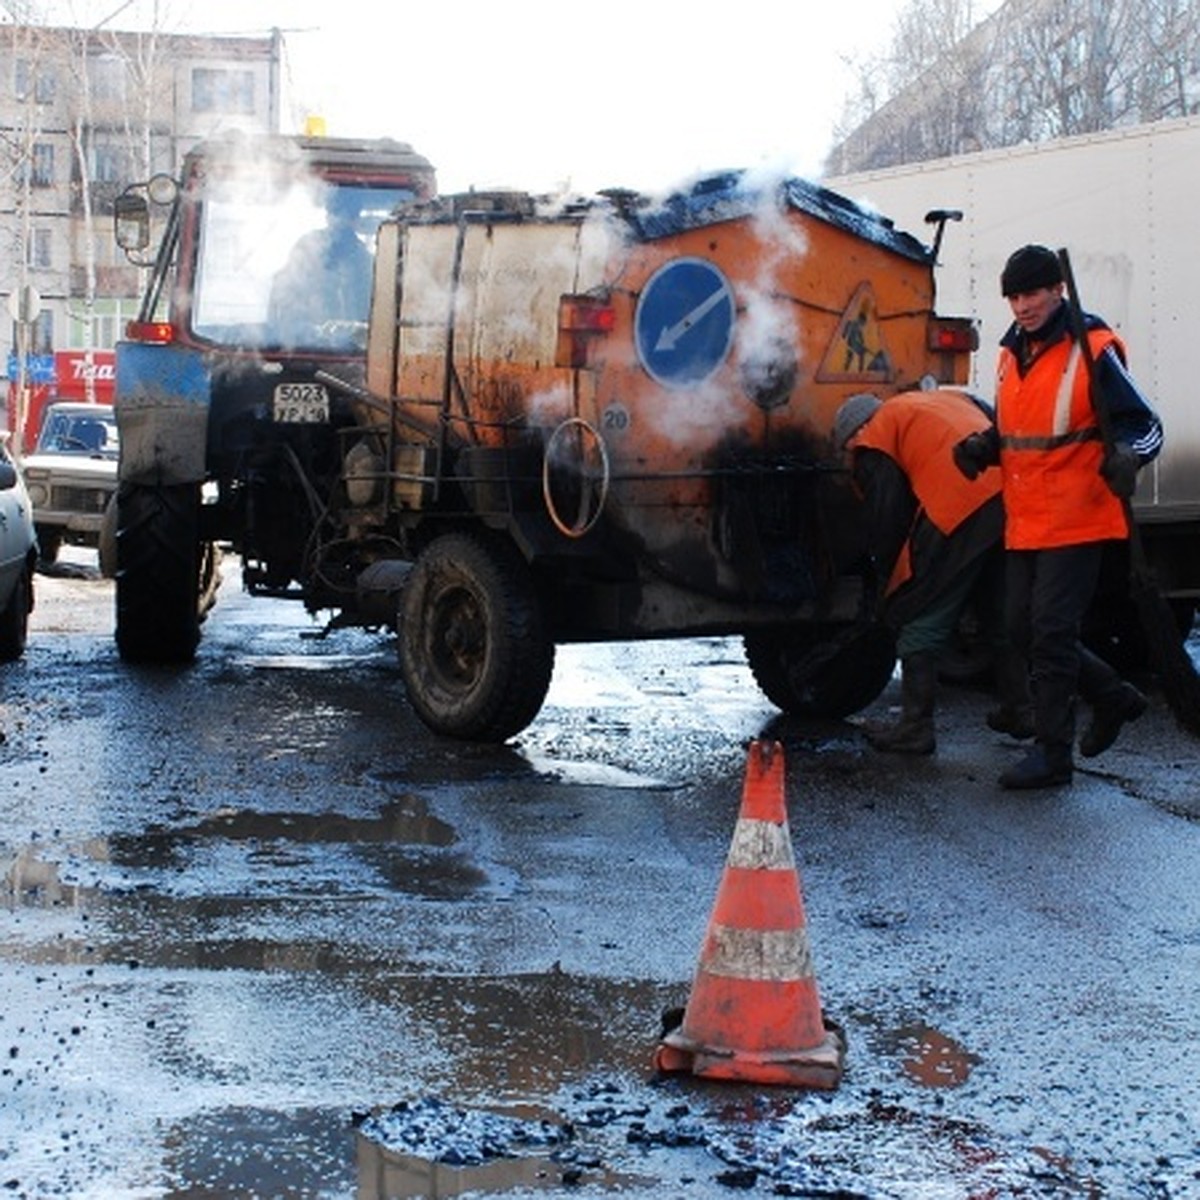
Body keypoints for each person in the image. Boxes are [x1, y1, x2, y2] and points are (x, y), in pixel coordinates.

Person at [954, 244, 1164, 790]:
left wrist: (1128, 456)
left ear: (1058, 291)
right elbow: (1016, 431)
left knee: (1050, 631)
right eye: (1015, 296)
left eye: (1033, 293)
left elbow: (1144, 424)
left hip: (1077, 518)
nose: (1023, 305)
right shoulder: (1008, 356)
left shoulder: (1090, 350)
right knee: (1019, 628)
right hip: (1026, 519)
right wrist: (983, 446)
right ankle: (1112, 696)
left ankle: (1054, 755)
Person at [833, 388, 1031, 756]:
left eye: (845, 453)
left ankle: (915, 728)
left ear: (853, 433)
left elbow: (888, 517)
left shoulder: (874, 438)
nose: (850, 461)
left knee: (921, 612)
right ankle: (1021, 708)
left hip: (959, 505)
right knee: (999, 612)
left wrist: (891, 582)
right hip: (1011, 496)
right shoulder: (940, 399)